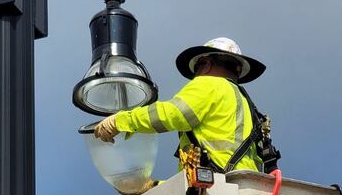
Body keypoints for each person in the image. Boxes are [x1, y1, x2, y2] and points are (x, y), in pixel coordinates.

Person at [94, 38, 267, 176]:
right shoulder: (247, 106)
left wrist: (121, 121)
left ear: (205, 64)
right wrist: (153, 187)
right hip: (246, 187)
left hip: (220, 186)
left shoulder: (209, 84)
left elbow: (173, 114)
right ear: (237, 70)